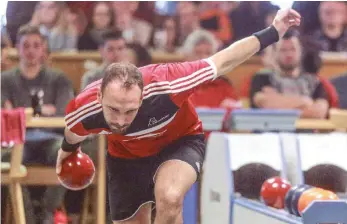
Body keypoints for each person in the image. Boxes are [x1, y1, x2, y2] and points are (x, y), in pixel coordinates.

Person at [56, 9, 301, 224]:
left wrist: (274, 31)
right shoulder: (83, 109)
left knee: (170, 198)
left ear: (142, 97)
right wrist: (65, 155)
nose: (120, 120)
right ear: (99, 98)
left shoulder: (171, 83)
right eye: (113, 110)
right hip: (126, 156)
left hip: (179, 143)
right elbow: (72, 134)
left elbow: (225, 60)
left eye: (130, 110)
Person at [2, 25, 74, 224]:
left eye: (36, 45)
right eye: (26, 45)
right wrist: (44, 110)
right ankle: (27, 217)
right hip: (17, 141)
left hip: (51, 138)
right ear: (18, 48)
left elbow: (63, 114)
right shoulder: (5, 80)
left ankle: (48, 210)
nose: (31, 51)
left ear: (43, 49)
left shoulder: (59, 78)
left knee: (69, 152)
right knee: (7, 160)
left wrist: (23, 112)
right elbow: (5, 115)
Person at [250, 30, 329, 119]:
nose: (289, 54)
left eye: (293, 49)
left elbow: (319, 112)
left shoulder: (314, 81)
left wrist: (280, 105)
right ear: (275, 53)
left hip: (306, 131)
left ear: (301, 51)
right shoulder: (262, 78)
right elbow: (266, 104)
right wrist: (305, 102)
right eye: (283, 50)